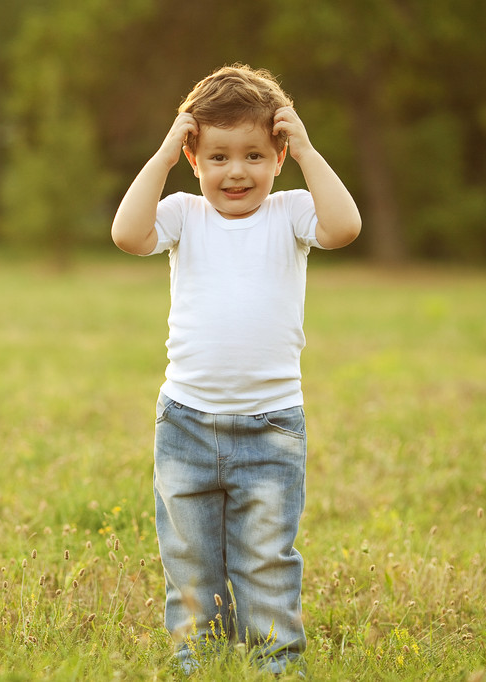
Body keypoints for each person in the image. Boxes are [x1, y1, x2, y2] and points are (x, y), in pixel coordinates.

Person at [111, 64, 361, 675]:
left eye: (254, 155)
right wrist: (165, 153)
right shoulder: (183, 215)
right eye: (218, 157)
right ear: (194, 159)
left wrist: (308, 150)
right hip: (186, 424)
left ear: (278, 157)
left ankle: (277, 660)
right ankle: (198, 656)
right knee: (190, 556)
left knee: (266, 557)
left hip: (270, 427)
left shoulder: (290, 213)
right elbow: (127, 234)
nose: (237, 172)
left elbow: (345, 227)